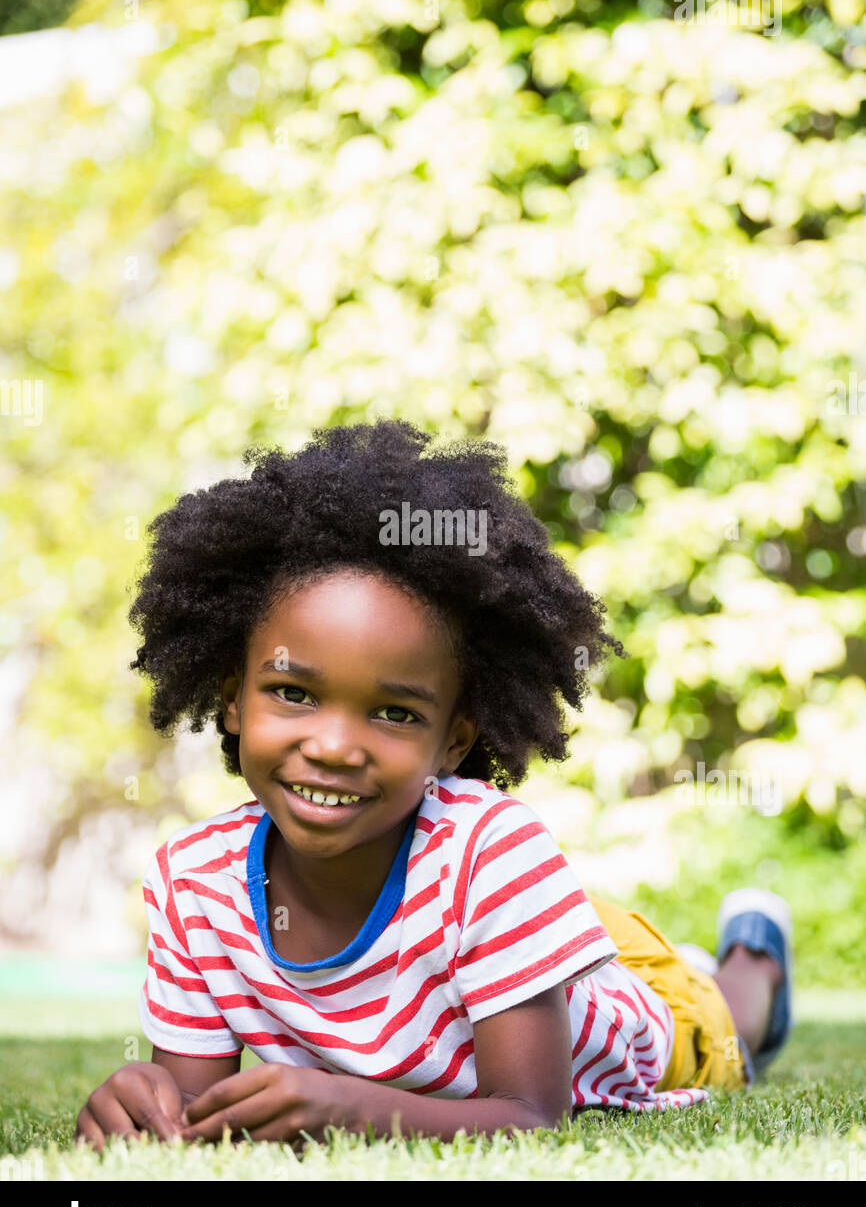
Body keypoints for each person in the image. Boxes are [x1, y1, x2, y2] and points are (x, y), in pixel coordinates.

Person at [75, 420, 793, 1151]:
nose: (331, 747)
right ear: (233, 697)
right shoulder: (195, 882)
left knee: (730, 1019)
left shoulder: (492, 853)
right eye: (292, 693)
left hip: (608, 987)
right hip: (509, 938)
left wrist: (348, 1107)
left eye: (393, 712)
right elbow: (200, 1118)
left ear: (453, 739)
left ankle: (753, 953)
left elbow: (530, 1117)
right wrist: (143, 1109)